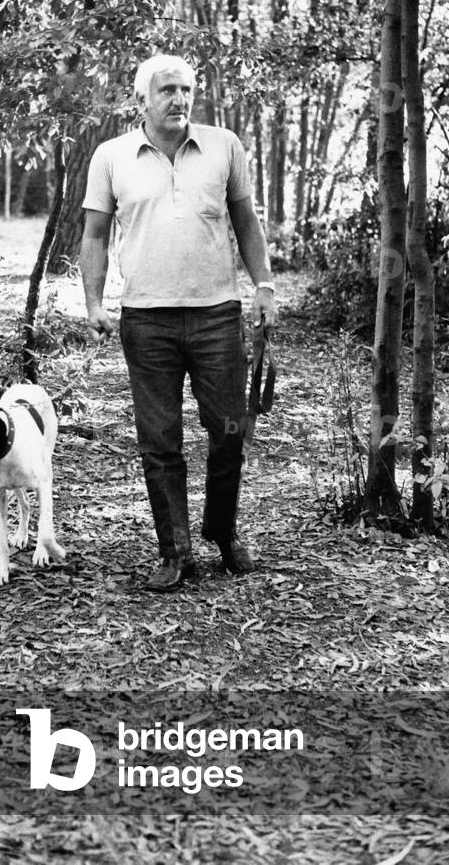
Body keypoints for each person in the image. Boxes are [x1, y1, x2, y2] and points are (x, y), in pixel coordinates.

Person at [79, 53, 276, 593]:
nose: (179, 99)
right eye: (167, 89)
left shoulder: (224, 145)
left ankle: (222, 531)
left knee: (230, 431)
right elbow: (95, 236)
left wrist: (263, 286)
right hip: (146, 321)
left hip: (217, 315)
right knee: (159, 440)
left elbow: (246, 221)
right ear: (142, 97)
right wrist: (94, 301)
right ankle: (175, 549)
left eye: (186, 89)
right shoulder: (112, 156)